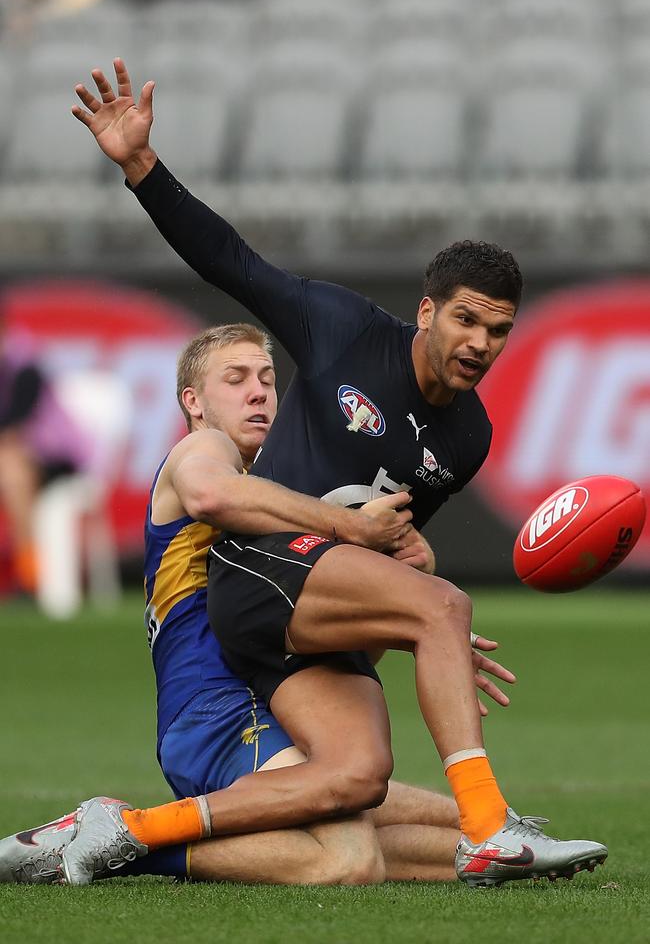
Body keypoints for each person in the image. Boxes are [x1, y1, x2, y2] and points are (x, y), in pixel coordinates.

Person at [64, 60, 608, 888]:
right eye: (464, 319)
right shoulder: (343, 330)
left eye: (497, 332)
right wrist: (142, 168)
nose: (478, 344)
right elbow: (233, 262)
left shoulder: (470, 437)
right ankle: (492, 826)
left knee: (361, 780)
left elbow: (391, 540)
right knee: (445, 606)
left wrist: (418, 609)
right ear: (427, 310)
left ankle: (128, 833)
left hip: (311, 620)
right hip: (255, 574)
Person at [0, 322, 480, 886]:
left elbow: (343, 657)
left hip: (277, 710)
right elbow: (210, 492)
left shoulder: (281, 495)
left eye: (268, 379)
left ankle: (503, 844)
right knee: (347, 858)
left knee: (462, 829)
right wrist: (348, 527)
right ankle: (123, 839)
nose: (258, 392)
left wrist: (408, 604)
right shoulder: (204, 450)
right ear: (194, 402)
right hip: (214, 711)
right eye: (236, 379)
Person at [0, 317, 91, 597]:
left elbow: (14, 426)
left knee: (11, 469)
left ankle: (29, 576)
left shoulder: (23, 363)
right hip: (21, 457)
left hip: (57, 457)